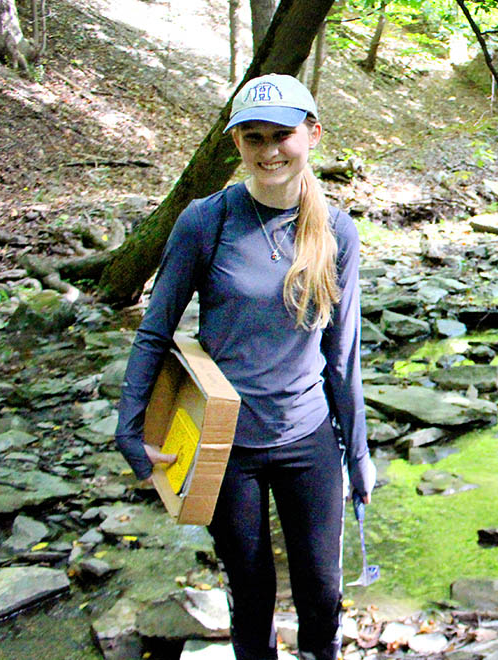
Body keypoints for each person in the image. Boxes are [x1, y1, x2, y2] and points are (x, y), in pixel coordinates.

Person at [114, 73, 375, 660]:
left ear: (311, 133)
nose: (269, 151)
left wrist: (357, 455)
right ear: (237, 144)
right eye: (253, 138)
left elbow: (343, 356)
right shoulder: (206, 221)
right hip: (226, 446)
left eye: (282, 134)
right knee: (251, 593)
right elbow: (157, 328)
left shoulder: (336, 230)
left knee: (322, 592)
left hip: (308, 438)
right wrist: (130, 428)